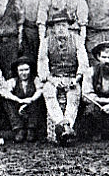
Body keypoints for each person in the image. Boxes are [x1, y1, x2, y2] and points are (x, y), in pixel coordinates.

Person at [38, 10, 89, 145]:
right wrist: (51, 80)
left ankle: (67, 126)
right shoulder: (46, 42)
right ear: (53, 28)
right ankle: (62, 124)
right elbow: (42, 63)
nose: (60, 28)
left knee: (73, 96)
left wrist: (76, 79)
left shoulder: (77, 40)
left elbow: (83, 62)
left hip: (72, 77)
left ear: (68, 26)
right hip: (53, 77)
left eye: (63, 25)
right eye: (57, 25)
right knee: (48, 93)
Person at [0, 56, 44, 143]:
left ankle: (31, 129)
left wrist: (30, 100)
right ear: (17, 71)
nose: (24, 73)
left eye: (26, 70)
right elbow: (2, 91)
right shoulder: (13, 81)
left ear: (30, 70)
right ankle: (19, 129)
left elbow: (40, 90)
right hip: (18, 109)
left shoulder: (35, 80)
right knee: (7, 101)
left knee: (38, 100)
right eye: (21, 70)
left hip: (31, 108)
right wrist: (19, 100)